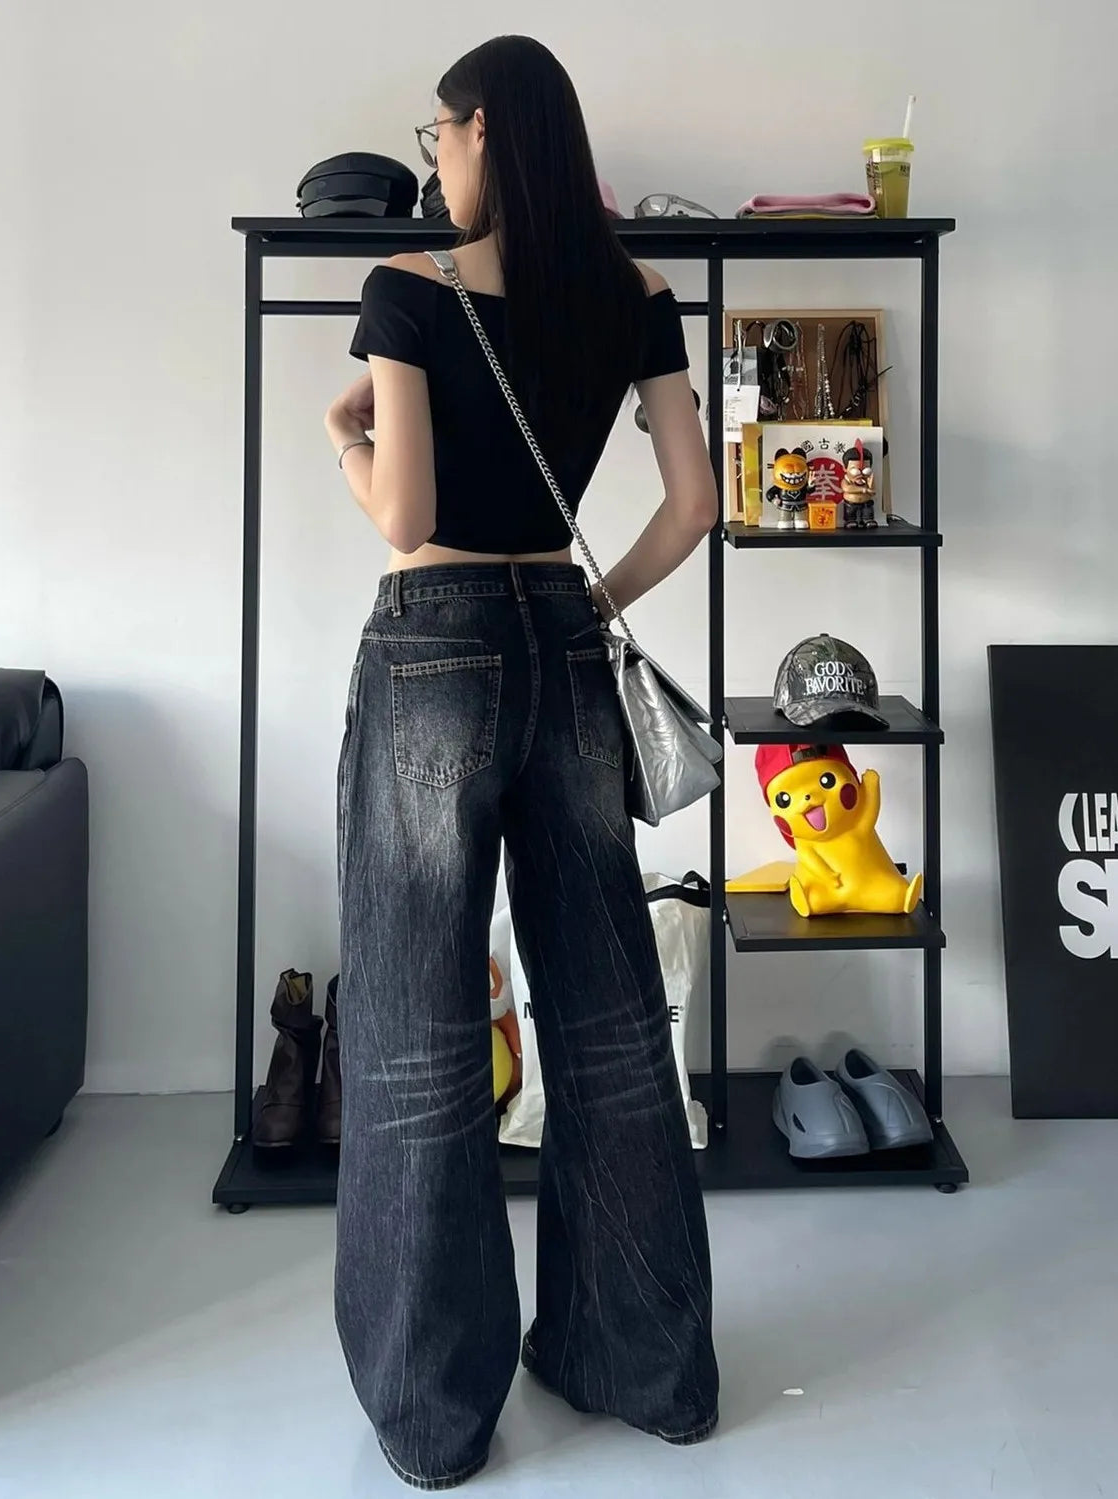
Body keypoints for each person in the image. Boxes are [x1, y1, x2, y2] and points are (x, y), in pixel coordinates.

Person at [324, 34, 720, 1491]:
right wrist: (590, 599)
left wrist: (339, 437)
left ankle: (436, 1418)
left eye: (437, 133)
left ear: (482, 129)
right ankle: (647, 1367)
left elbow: (403, 511)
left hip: (430, 647)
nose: (432, 156)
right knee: (608, 1017)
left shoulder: (409, 288)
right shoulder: (634, 296)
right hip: (562, 639)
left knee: (418, 1027)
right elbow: (693, 504)